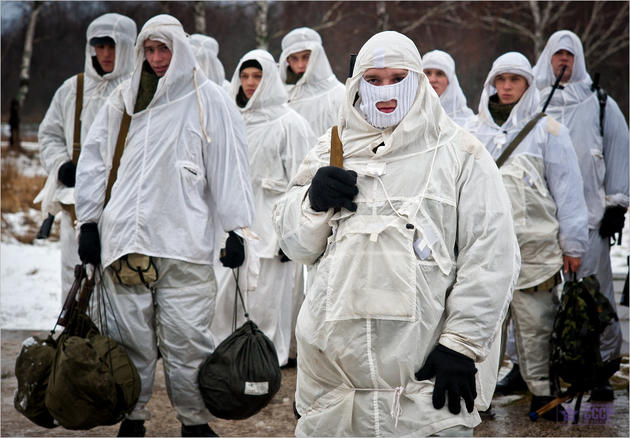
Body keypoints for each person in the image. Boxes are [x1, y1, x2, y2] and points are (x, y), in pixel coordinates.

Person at [273, 31, 520, 436]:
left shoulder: (461, 156)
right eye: (373, 80)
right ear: (357, 85)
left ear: (419, 82)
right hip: (336, 395)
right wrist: (311, 202)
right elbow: (296, 245)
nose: (385, 90)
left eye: (397, 78)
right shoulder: (329, 150)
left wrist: (461, 345)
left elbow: (491, 258)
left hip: (423, 392)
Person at [74, 15, 254, 437]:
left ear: (181, 48)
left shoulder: (209, 98)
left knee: (187, 340)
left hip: (185, 242)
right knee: (130, 340)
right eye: (149, 50)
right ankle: (132, 419)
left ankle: (193, 422)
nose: (156, 59)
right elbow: (97, 161)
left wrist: (235, 227)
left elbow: (229, 165)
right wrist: (89, 222)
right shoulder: (124, 98)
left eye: (164, 49)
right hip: (126, 240)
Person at [467, 52, 589, 419]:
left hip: (535, 252)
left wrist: (573, 244)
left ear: (527, 85)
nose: (506, 87)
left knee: (537, 327)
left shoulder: (549, 131)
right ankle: (477, 398)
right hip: (485, 253)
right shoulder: (475, 132)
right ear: (491, 83)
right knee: (482, 328)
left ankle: (542, 394)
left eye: (514, 80)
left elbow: (568, 191)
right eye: (500, 80)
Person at [533, 30, 629, 401]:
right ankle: (544, 367)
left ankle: (601, 368)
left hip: (589, 220)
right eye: (557, 56)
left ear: (579, 60)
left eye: (569, 56)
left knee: (594, 296)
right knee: (539, 299)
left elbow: (619, 150)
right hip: (541, 223)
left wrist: (616, 205)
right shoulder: (534, 104)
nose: (563, 62)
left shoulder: (600, 103)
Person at [211, 49, 316, 367]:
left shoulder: (290, 123)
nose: (250, 83)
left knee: (269, 298)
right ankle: (224, 354)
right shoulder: (229, 118)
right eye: (244, 76)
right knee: (226, 294)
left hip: (271, 225)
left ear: (269, 78)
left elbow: (302, 181)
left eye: (257, 76)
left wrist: (291, 233)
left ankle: (267, 358)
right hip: (232, 222)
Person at [36, 13, 136, 299]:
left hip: (124, 203)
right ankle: (76, 341)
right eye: (100, 46)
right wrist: (60, 165)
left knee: (122, 287)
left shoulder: (139, 91)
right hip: (77, 204)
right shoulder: (72, 89)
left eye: (113, 46)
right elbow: (49, 134)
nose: (106, 53)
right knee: (75, 278)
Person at [278, 27, 345, 137]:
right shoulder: (282, 97)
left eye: (306, 57)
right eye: (294, 58)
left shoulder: (339, 95)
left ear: (317, 56)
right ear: (287, 60)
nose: (300, 65)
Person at [422, 50, 475, 126]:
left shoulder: (468, 123)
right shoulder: (409, 114)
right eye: (427, 73)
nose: (432, 80)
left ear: (449, 80)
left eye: (439, 74)